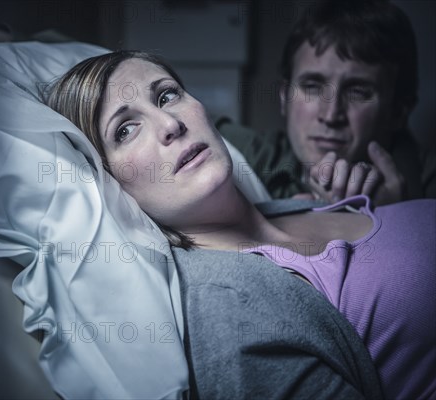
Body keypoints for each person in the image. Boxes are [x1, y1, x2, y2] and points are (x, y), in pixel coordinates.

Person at [46, 50, 435, 399]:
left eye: (167, 95)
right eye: (125, 130)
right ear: (108, 181)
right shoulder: (227, 311)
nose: (169, 123)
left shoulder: (296, 204)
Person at [218, 0, 436, 205]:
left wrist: (397, 218)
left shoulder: (428, 187)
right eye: (312, 86)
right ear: (284, 97)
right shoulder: (250, 156)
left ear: (398, 111)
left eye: (357, 92)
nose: (331, 115)